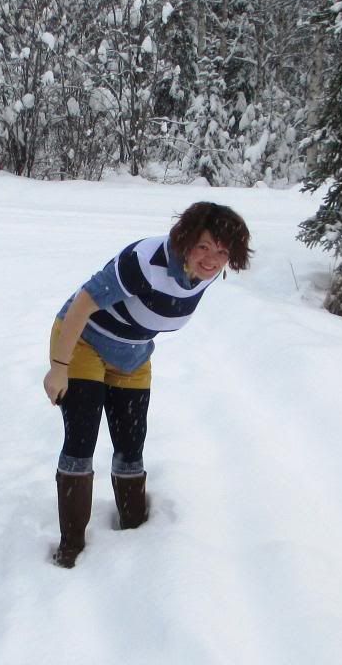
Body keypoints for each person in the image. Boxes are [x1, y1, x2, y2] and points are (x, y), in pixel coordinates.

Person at [43, 201, 252, 568]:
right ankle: (70, 547)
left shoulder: (205, 273)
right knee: (81, 440)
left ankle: (136, 533)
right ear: (185, 239)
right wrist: (59, 367)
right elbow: (81, 305)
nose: (212, 259)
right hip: (82, 342)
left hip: (132, 356)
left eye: (222, 251)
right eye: (204, 246)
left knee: (131, 445)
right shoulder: (144, 262)